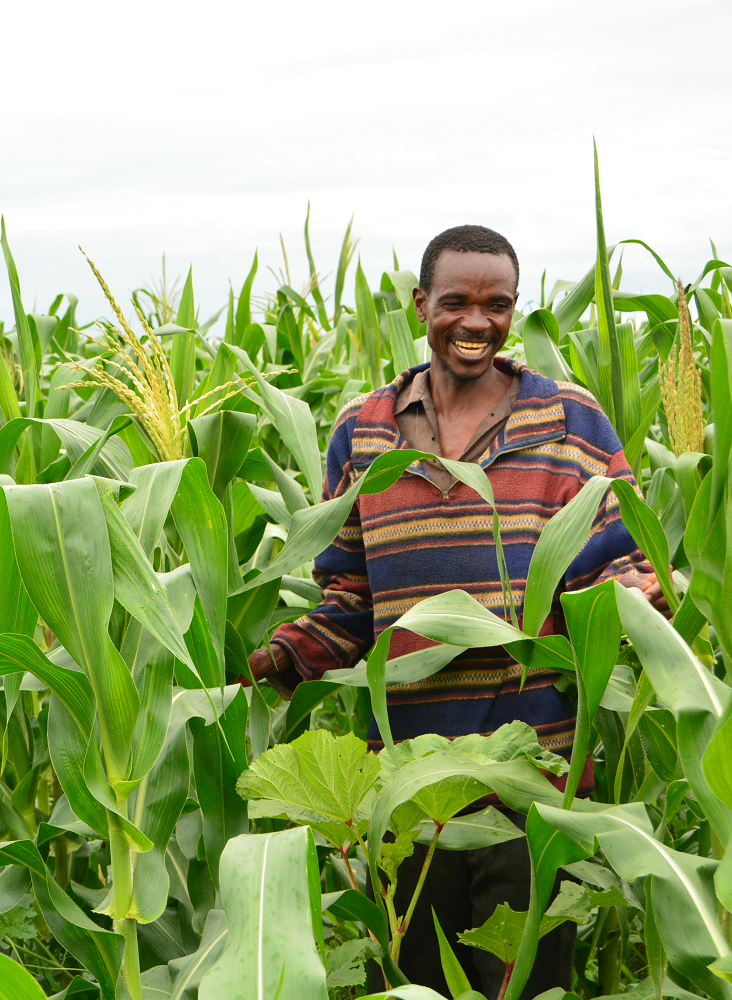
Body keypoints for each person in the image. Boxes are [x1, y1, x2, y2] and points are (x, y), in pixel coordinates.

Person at [246, 225, 669, 997]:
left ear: (514, 311)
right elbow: (349, 594)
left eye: (497, 305)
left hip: (533, 778)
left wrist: (642, 604)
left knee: (526, 983)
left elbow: (629, 563)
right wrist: (280, 658)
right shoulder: (363, 429)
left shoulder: (571, 422)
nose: (476, 322)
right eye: (456, 303)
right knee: (414, 985)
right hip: (404, 785)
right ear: (421, 306)